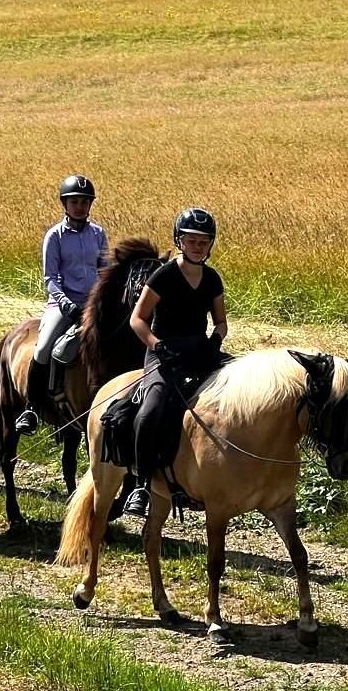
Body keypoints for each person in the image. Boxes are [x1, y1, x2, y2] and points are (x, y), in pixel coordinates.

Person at [121, 208, 230, 518]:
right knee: (151, 410)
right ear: (179, 241)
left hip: (199, 351)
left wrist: (216, 339)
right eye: (191, 240)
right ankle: (142, 484)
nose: (197, 246)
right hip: (163, 352)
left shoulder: (212, 279)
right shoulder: (164, 275)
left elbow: (221, 322)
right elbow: (137, 319)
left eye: (204, 241)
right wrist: (157, 345)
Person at [15, 175, 109, 434]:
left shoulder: (98, 234)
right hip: (62, 305)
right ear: (64, 204)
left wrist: (102, 299)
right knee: (44, 347)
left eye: (84, 202)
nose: (80, 206)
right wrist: (66, 304)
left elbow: (105, 271)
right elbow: (50, 278)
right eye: (74, 202)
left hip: (92, 305)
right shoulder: (54, 236)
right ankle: (32, 407)